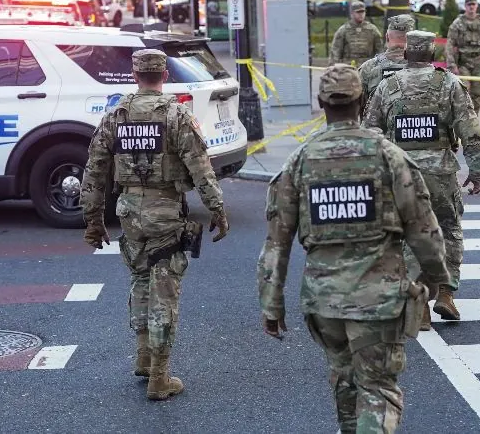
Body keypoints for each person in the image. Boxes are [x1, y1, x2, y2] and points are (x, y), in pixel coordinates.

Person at [258, 64, 448, 434]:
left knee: (345, 386)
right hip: (379, 300)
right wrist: (438, 278)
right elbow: (423, 228)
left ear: (321, 103)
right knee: (378, 391)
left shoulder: (298, 161)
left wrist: (271, 302)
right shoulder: (388, 156)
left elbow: (276, 241)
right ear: (362, 101)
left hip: (324, 302)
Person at [79, 49, 230, 400]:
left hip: (129, 210)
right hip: (164, 210)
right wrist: (217, 209)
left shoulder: (116, 115)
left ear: (135, 74)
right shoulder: (176, 115)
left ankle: (144, 356)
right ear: (164, 74)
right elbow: (200, 168)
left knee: (140, 278)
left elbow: (94, 169)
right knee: (165, 287)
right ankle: (159, 377)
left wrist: (92, 219)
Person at [364, 30, 480, 327]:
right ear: (433, 55)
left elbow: (370, 132)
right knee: (449, 230)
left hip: (401, 172)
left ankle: (417, 298)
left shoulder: (387, 86)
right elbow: (472, 131)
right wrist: (478, 170)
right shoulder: (449, 84)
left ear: (406, 54)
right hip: (440, 174)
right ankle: (446, 292)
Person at [445, 0, 480, 113]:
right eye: (469, 5)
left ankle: (474, 121)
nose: (471, 7)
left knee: (477, 94)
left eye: (473, 4)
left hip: (478, 62)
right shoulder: (458, 23)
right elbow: (450, 43)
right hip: (463, 62)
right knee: (463, 92)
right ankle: (463, 121)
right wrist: (452, 64)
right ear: (465, 6)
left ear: (477, 6)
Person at [357, 14, 416, 114]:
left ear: (387, 37)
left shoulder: (367, 68)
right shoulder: (426, 68)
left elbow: (357, 107)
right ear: (414, 39)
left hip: (377, 129)